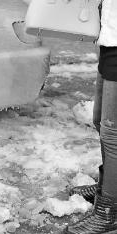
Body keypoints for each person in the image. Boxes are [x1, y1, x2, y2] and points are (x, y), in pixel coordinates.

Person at [65, 0, 117, 233]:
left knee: (113, 133)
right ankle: (108, 187)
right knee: (100, 122)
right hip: (109, 39)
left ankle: (109, 210)